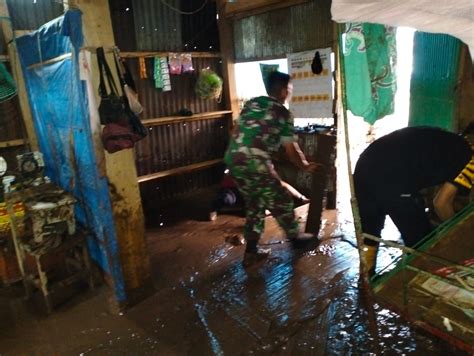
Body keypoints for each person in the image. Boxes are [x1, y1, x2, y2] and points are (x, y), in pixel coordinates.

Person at [224, 71, 320, 266]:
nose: (290, 93)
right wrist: (305, 166)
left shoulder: (252, 103)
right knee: (282, 199)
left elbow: (237, 130)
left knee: (255, 203)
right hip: (255, 162)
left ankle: (251, 252)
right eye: (290, 89)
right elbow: (291, 150)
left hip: (233, 159)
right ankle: (296, 240)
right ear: (284, 91)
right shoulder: (283, 113)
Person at [354, 125, 474, 275]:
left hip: (364, 167)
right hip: (393, 178)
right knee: (422, 244)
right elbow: (441, 203)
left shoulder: (450, 142)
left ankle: (366, 281)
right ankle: (415, 285)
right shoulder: (471, 159)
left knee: (369, 234)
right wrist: (457, 232)